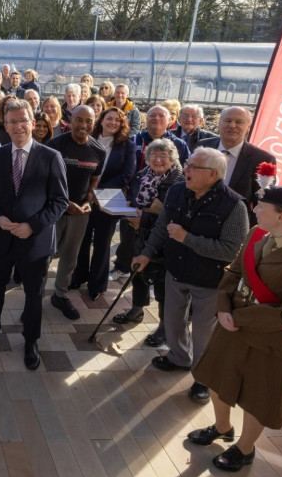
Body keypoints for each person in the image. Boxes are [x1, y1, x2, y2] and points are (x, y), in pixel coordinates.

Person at [188, 186, 282, 472]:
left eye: (261, 206)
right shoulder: (256, 235)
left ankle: (244, 448)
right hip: (231, 326)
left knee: (257, 398)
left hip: (268, 339)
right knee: (216, 380)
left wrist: (238, 318)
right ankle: (222, 426)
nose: (255, 210)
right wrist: (224, 307)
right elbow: (234, 271)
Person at [133, 147, 249, 404]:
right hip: (175, 271)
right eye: (187, 165)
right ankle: (179, 358)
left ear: (213, 175)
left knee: (204, 334)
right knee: (172, 321)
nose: (185, 170)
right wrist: (147, 253)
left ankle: (203, 378)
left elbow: (231, 251)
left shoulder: (233, 206)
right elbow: (163, 226)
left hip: (209, 280)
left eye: (193, 167)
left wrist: (188, 239)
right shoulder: (177, 191)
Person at [0, 100, 69, 370]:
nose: (18, 127)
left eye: (22, 120)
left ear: (33, 122)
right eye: (11, 122)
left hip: (35, 242)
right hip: (2, 238)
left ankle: (31, 341)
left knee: (34, 295)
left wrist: (33, 226)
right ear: (5, 124)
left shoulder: (50, 156)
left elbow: (60, 202)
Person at [110, 139, 184, 345]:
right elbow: (135, 199)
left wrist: (143, 218)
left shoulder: (180, 182)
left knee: (161, 283)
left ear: (172, 158)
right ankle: (137, 310)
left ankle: (163, 326)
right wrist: (126, 206)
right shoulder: (143, 175)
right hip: (136, 233)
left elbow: (175, 214)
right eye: (154, 155)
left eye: (163, 156)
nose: (158, 160)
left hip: (163, 238)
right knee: (138, 273)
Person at [72, 106, 137, 297]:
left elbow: (127, 174)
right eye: (109, 118)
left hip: (109, 198)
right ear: (101, 120)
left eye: (118, 120)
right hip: (84, 196)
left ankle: (97, 285)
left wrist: (98, 191)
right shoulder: (89, 139)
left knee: (102, 243)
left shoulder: (128, 145)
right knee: (82, 240)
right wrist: (88, 190)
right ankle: (79, 275)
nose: (113, 122)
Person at [47, 106, 104, 317]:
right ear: (70, 119)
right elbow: (45, 179)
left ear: (94, 122)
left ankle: (60, 295)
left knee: (70, 257)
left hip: (81, 211)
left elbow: (94, 180)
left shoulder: (99, 150)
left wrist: (89, 201)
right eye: (79, 120)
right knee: (45, 254)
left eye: (89, 121)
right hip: (54, 209)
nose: (83, 125)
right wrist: (64, 203)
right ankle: (34, 295)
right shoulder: (55, 145)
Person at [199, 107, 276, 213]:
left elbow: (262, 201)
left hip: (234, 221)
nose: (232, 125)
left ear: (248, 128)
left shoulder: (262, 159)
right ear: (219, 124)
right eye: (228, 121)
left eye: (239, 122)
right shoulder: (202, 146)